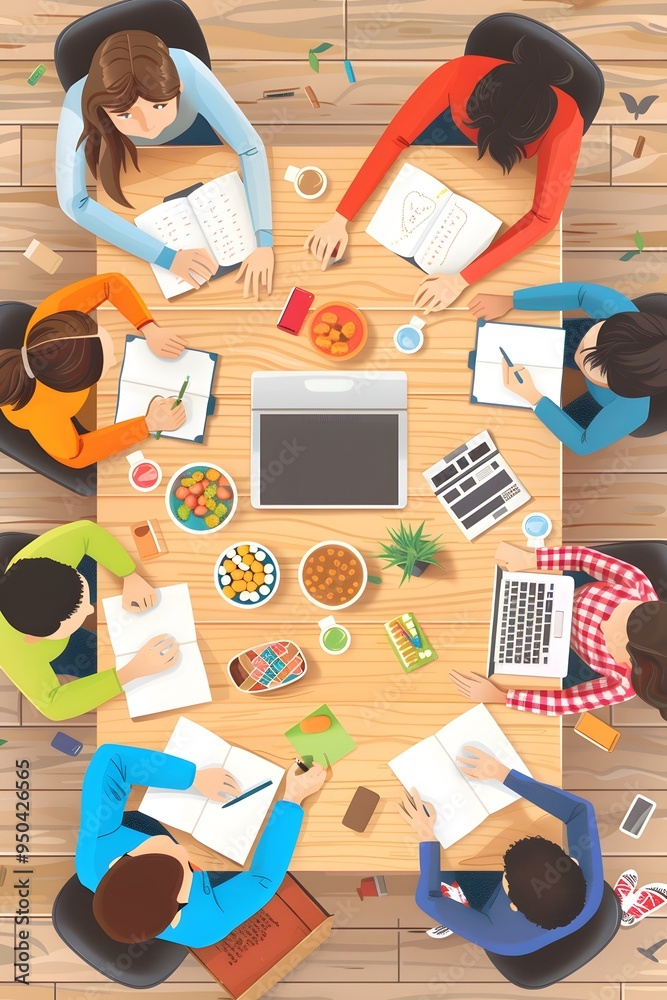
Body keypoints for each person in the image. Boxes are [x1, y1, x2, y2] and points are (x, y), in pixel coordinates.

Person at [305, 35, 584, 312]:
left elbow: (544, 217)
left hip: (508, 179)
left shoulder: (567, 120)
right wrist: (340, 217)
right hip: (442, 145)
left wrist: (461, 279)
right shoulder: (460, 71)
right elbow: (396, 138)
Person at [56, 29, 274, 299]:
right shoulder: (78, 102)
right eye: (125, 114)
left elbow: (250, 147)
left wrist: (264, 240)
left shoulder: (189, 70)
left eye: (158, 106)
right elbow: (72, 202)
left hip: (193, 138)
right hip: (124, 155)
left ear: (179, 87)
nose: (147, 126)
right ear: (102, 110)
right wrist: (166, 257)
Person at [76, 744, 327, 946]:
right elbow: (264, 879)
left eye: (152, 848)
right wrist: (293, 799)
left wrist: (192, 777)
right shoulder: (207, 925)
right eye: (183, 865)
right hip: (213, 879)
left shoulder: (93, 858)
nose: (180, 848)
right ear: (183, 900)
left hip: (152, 816)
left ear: (117, 861)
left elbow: (112, 758)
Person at [399, 746, 604, 952]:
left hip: (487, 902)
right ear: (574, 862)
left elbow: (427, 899)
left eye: (505, 872)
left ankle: (457, 919)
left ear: (512, 905)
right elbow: (579, 810)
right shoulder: (590, 882)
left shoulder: (500, 938)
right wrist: (504, 774)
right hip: (526, 901)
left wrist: (426, 834)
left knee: (445, 867)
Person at [450, 541, 667, 720]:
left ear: (630, 663)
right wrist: (530, 559)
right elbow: (584, 559)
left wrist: (500, 696)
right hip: (557, 593)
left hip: (552, 645)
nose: (604, 624)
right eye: (618, 612)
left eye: (612, 635)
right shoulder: (637, 584)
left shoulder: (621, 686)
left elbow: (564, 702)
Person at [0, 273, 187, 468]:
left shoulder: (55, 316)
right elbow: (77, 455)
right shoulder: (45, 417)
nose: (115, 360)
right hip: (69, 421)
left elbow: (111, 283)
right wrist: (148, 425)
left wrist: (148, 327)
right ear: (77, 383)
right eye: (107, 362)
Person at [0, 520, 179, 721]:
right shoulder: (16, 655)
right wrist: (130, 672)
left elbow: (87, 531)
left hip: (54, 585)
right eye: (77, 613)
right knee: (97, 665)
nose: (91, 609)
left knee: (99, 573)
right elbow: (53, 706)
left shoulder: (47, 556)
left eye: (85, 601)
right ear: (33, 638)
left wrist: (129, 574)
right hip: (51, 648)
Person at [469, 282, 667, 455]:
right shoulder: (620, 311)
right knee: (551, 339)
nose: (580, 355)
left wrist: (535, 398)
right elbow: (581, 292)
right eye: (594, 338)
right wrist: (511, 301)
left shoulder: (631, 409)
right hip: (613, 351)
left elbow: (583, 443)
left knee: (550, 427)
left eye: (595, 368)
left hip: (603, 402)